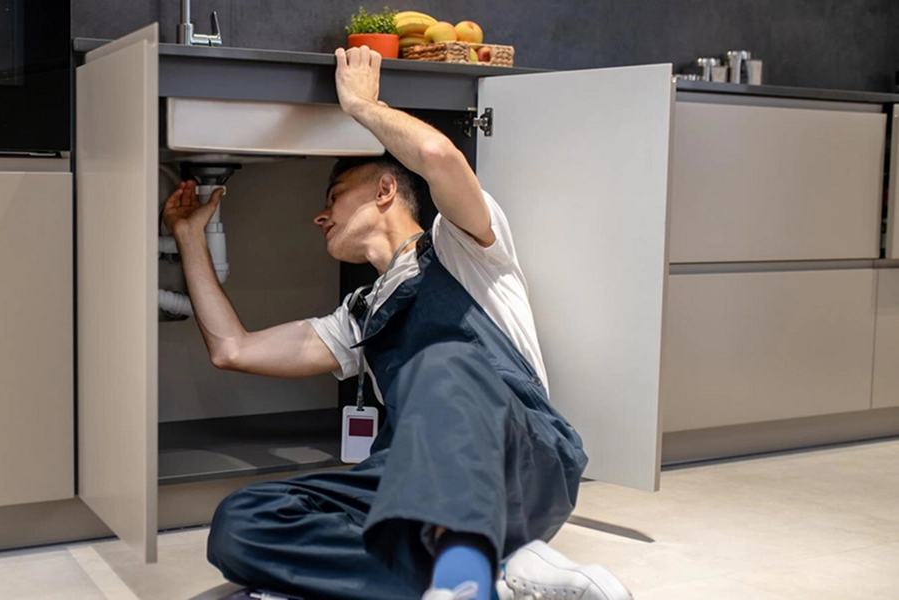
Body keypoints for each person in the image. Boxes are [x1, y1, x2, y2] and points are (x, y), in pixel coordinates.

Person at [161, 46, 632, 600]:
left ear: (385, 190)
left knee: (444, 363)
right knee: (242, 521)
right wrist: (191, 236)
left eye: (334, 196)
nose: (320, 215)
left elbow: (436, 155)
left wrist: (363, 105)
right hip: (408, 480)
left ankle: (463, 567)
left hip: (520, 459)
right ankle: (490, 576)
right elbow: (232, 348)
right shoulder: (358, 315)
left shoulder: (464, 248)